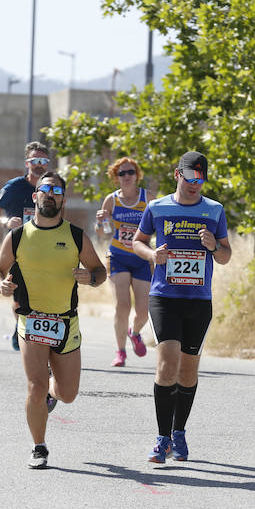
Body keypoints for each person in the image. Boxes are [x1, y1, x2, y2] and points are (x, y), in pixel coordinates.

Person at [0, 171, 107, 469]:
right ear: (35, 196)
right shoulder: (17, 236)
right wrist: (0, 285)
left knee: (67, 394)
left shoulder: (75, 235)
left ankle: (53, 394)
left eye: (56, 191)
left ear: (63, 199)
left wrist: (90, 278)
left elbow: (100, 271)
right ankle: (39, 447)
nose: (50, 195)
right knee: (35, 387)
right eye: (45, 190)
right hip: (30, 321)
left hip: (66, 323)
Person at [132, 151, 231, 464]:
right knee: (167, 364)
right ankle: (161, 439)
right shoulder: (157, 207)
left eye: (200, 179)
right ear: (178, 174)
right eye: (190, 178)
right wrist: (151, 256)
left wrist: (214, 246)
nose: (195, 184)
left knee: (188, 371)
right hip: (164, 297)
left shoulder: (214, 210)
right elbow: (137, 241)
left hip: (198, 301)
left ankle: (179, 432)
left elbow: (226, 255)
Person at [0, 141, 52, 350]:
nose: (39, 165)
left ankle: (33, 329)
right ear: (28, 163)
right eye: (35, 160)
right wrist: (5, 222)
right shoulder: (15, 186)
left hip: (45, 250)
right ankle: (20, 326)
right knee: (19, 296)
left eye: (43, 161)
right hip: (18, 249)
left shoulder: (51, 188)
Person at [95, 157, 154, 367]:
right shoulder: (111, 201)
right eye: (122, 173)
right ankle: (120, 352)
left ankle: (135, 333)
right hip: (118, 257)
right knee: (122, 306)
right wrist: (101, 221)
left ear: (137, 175)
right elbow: (103, 233)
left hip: (141, 258)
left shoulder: (148, 198)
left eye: (130, 172)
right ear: (116, 178)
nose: (127, 176)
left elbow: (159, 225)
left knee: (143, 311)